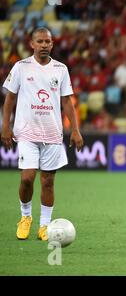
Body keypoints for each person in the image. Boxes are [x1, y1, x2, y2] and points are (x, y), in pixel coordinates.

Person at [1, 27, 84, 241]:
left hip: (53, 134)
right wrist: (5, 126)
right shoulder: (21, 67)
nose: (44, 45)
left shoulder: (60, 69)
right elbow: (10, 98)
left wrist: (75, 129)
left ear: (52, 44)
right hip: (27, 133)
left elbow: (67, 101)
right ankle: (25, 216)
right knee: (27, 178)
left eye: (48, 41)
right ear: (32, 44)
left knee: (47, 181)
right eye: (40, 41)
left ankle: (44, 226)